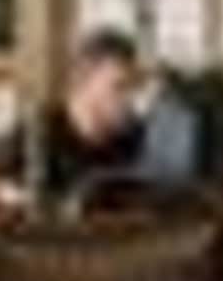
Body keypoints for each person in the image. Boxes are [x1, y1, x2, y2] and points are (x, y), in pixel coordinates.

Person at [18, 25, 151, 207]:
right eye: (119, 87)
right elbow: (9, 198)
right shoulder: (38, 134)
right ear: (84, 81)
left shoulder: (134, 136)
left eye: (134, 88)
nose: (129, 99)